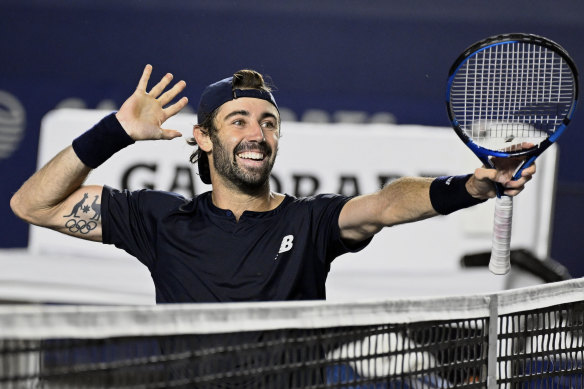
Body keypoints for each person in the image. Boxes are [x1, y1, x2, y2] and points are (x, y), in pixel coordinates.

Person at [10, 65, 535, 304]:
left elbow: (385, 204)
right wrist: (115, 132)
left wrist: (468, 187)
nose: (255, 133)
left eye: (267, 122)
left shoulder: (310, 221)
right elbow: (32, 204)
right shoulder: (159, 219)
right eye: (237, 120)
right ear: (204, 138)